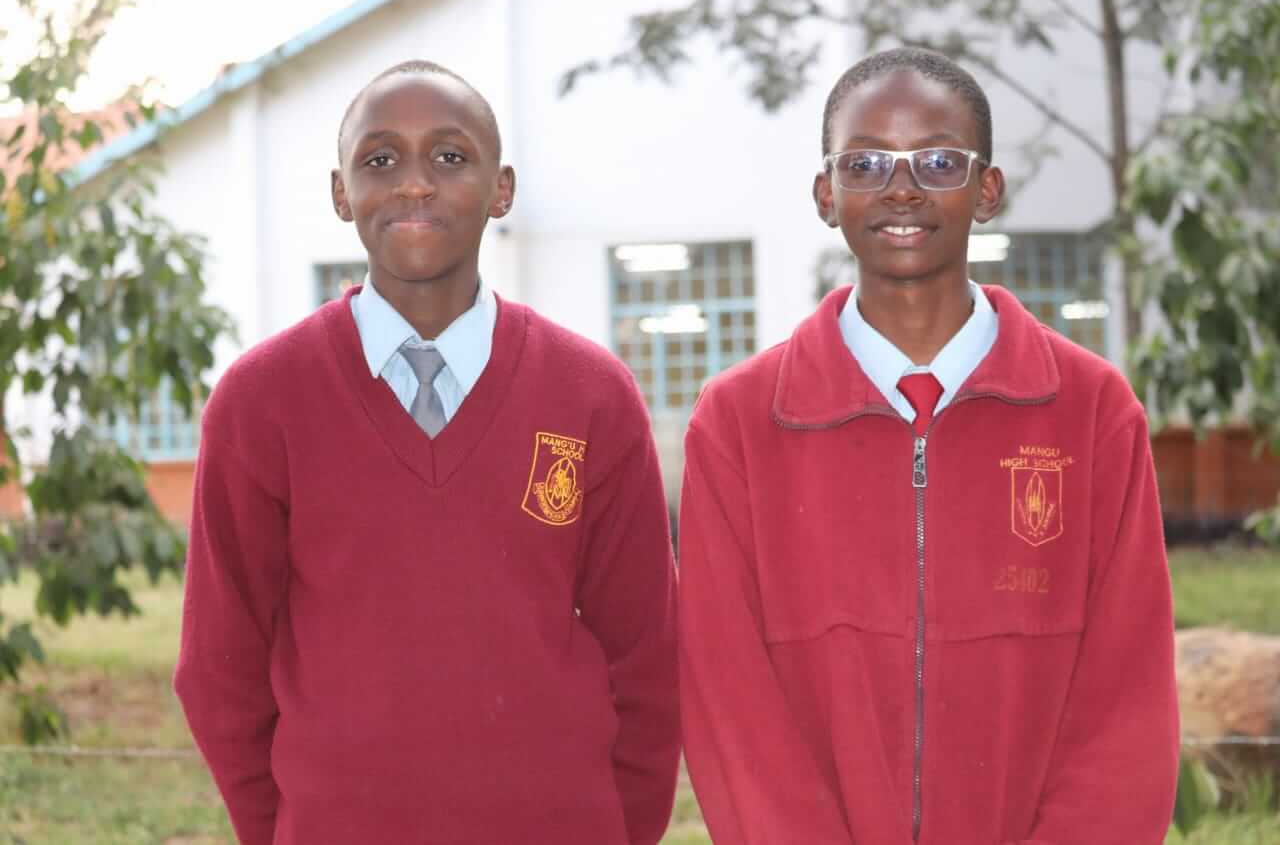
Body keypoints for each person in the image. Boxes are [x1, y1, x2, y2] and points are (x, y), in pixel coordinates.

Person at [678, 47, 1178, 845]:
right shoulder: (738, 422)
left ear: (987, 191)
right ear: (824, 192)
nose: (901, 187)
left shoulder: (1091, 412)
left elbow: (1128, 704)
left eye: (939, 161)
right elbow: (728, 702)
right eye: (866, 162)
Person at [174, 60, 679, 845]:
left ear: (501, 188)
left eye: (449, 157)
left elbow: (647, 654)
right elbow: (218, 666)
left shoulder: (592, 395)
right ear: (341, 192)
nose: (414, 184)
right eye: (380, 160)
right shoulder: (260, 401)